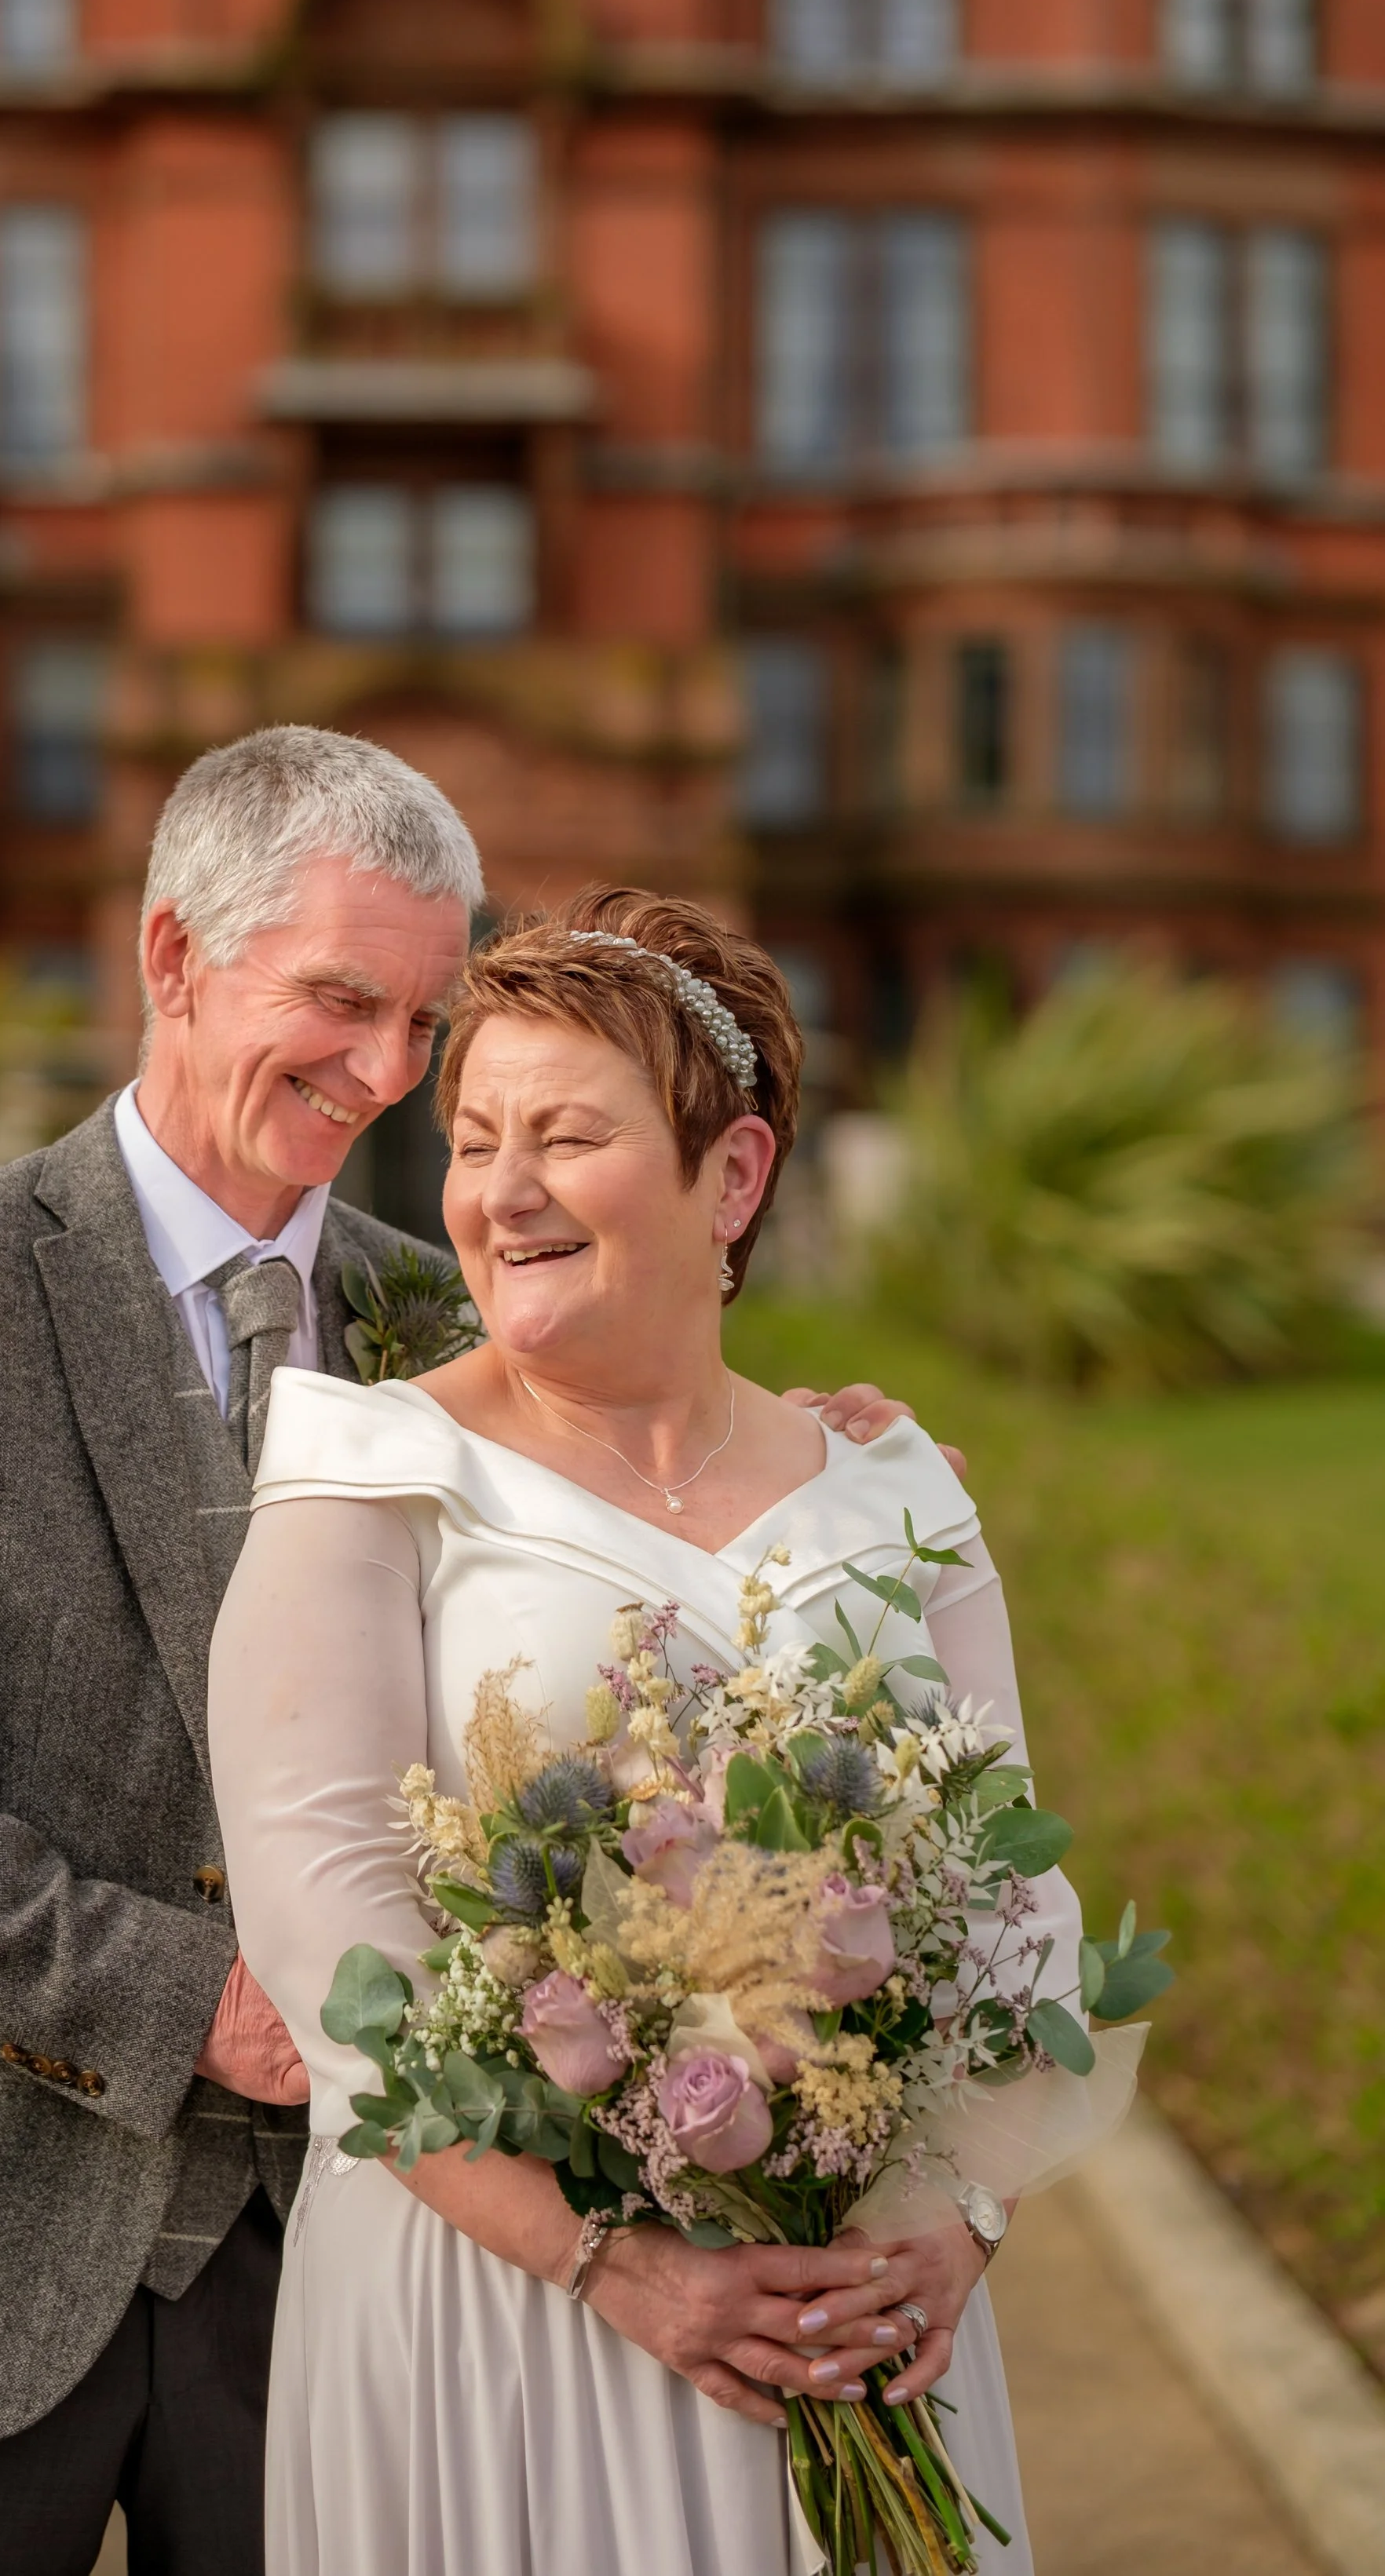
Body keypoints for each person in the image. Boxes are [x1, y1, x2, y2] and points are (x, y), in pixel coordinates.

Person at [0, 725, 934, 2576]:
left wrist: (818, 1454)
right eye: (340, 1001)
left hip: (338, 2280)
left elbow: (637, 1559)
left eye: (422, 1023)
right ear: (172, 958)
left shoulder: (451, 1310)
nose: (382, 1074)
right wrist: (192, 1999)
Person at [208, 890, 1071, 2576]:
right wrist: (617, 2269)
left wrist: (948, 2231)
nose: (499, 1189)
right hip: (494, 2317)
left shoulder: (893, 1496)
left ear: (730, 1178)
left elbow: (1012, 1918)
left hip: (850, 2317)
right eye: (471, 1141)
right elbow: (335, 1958)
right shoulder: (364, 1474)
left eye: (565, 1135)